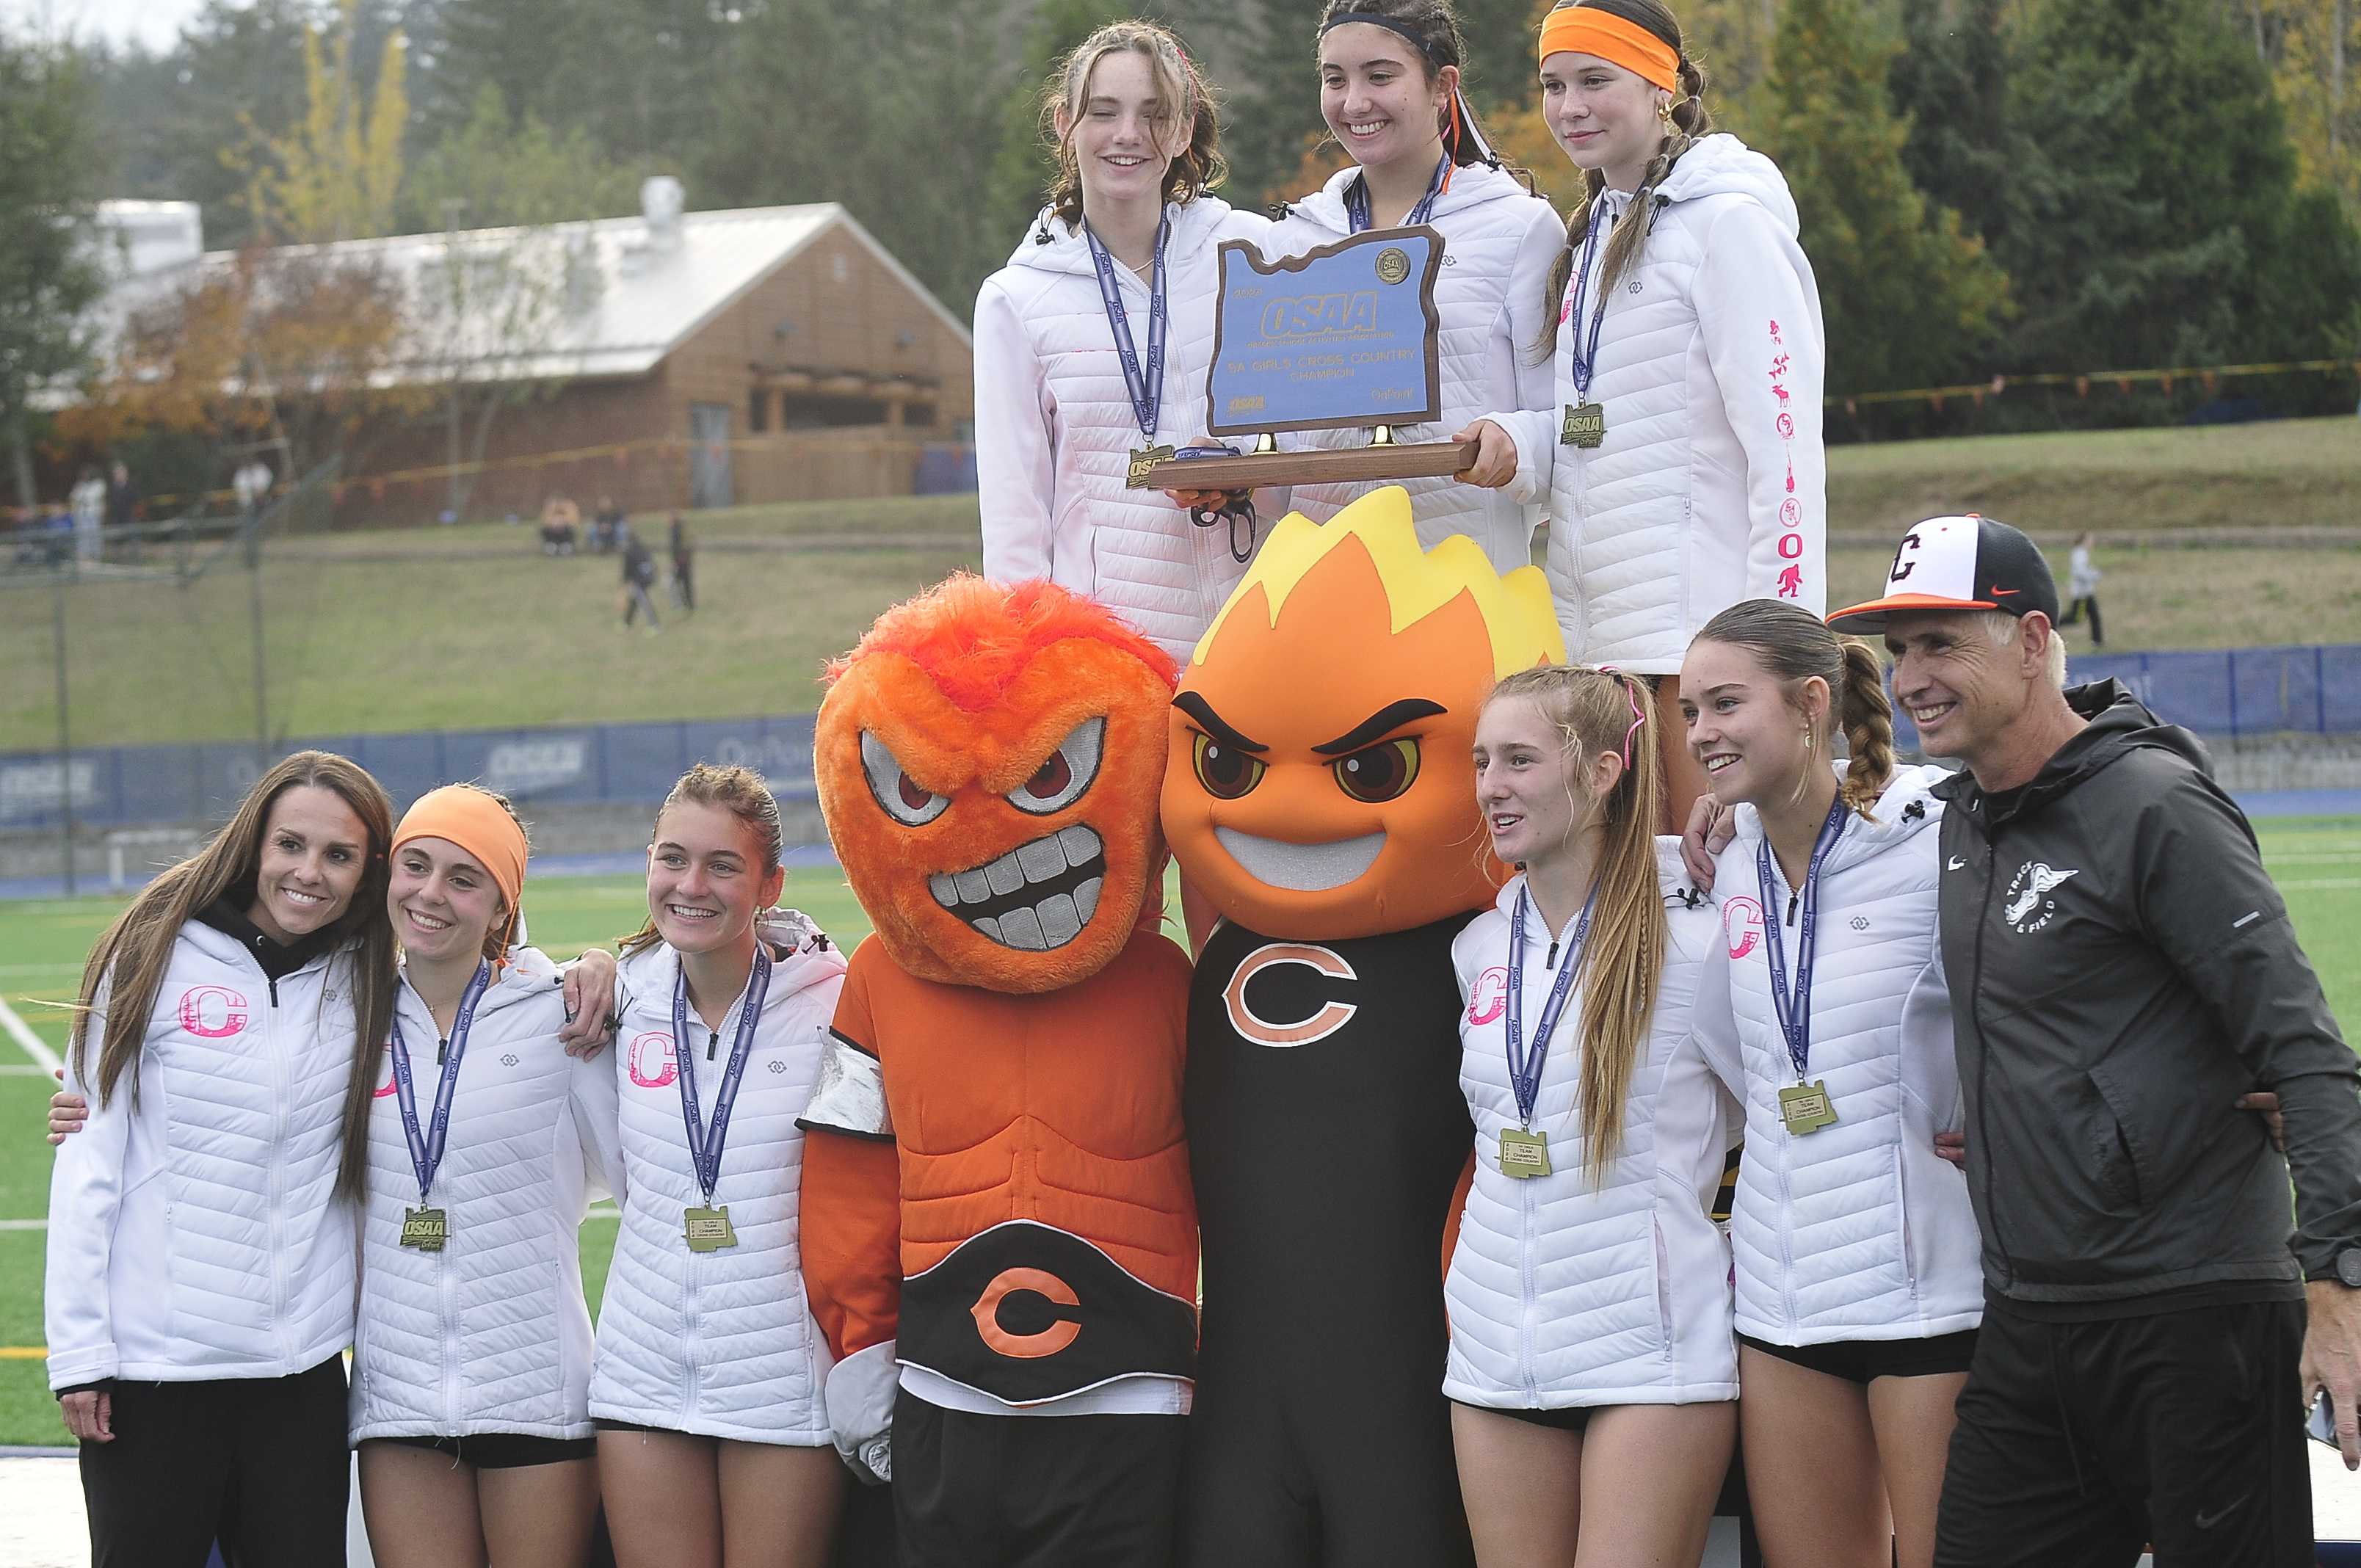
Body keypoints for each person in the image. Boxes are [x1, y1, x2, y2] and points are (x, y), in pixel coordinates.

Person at [1824, 512, 2361, 1565]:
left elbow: (2305, 1050)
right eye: (1899, 652)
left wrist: (2338, 1290)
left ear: (2031, 643)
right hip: (2030, 1320)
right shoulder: (1965, 812)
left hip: (2193, 1315)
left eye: (1940, 642)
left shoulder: (2155, 806)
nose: (1910, 677)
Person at [1454, 0, 1826, 830]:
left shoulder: (1728, 225)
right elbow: (1612, 427)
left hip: (1702, 653)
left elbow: (1787, 453)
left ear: (1661, 87)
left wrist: (1777, 654)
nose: (1570, 107)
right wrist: (1519, 440)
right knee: (1645, 913)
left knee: (1723, 895)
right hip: (1604, 647)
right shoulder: (1594, 236)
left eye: (1595, 80)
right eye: (1553, 85)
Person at [1678, 598, 1981, 1568]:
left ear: (1811, 702)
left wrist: (1988, 1107)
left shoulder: (1935, 828)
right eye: (1688, 712)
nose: (1701, 734)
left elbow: (2035, 989)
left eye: (1725, 703)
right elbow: (1742, 1058)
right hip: (1783, 1293)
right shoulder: (1727, 865)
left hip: (1929, 1289)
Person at [46, 751, 399, 1567]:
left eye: (339, 856)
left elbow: (480, 932)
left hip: (300, 1379)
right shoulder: (151, 955)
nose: (309, 873)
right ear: (254, 844)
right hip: (154, 1378)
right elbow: (88, 1168)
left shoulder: (371, 976)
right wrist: (81, 1355)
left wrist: (590, 970)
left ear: (365, 873)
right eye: (291, 846)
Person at [1446, 662, 1735, 1567]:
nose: (1493, 786)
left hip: (1651, 1355)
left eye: (1521, 760)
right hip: (1496, 1352)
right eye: (1483, 760)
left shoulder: (1699, 940)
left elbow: (1786, 1098)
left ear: (1604, 772)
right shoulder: (1479, 947)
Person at [348, 785, 622, 1568]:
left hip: (538, 1396)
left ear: (502, 910)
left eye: (464, 880)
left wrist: (610, 967)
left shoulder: (561, 1016)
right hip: (398, 1403)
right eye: (416, 867)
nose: (432, 894)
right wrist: (98, 1099)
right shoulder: (350, 1014)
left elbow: (642, 1167)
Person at [590, 763, 848, 1568]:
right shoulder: (618, 998)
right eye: (672, 859)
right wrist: (591, 967)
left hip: (781, 1379)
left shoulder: (836, 1005)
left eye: (722, 865)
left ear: (770, 882)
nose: (690, 885)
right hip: (642, 1373)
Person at [973, 19, 1274, 664]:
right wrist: (1032, 668)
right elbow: (1014, 520)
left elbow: (1305, 418)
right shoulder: (1016, 299)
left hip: (1260, 634)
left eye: (1154, 114)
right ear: (1064, 125)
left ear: (1184, 129)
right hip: (1111, 660)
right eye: (1103, 112)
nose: (1128, 135)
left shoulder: (1251, 255)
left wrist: (1242, 462)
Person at [1232, 0, 1562, 573]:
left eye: (1380, 76)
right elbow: (1277, 433)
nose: (1355, 102)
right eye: (1335, 79)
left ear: (1442, 87)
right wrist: (1226, 465)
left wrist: (1514, 439)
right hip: (1319, 582)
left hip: (1460, 577)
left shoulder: (1519, 227)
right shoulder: (1294, 237)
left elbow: (1565, 417)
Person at [2057, 530, 2103, 647]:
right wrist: (2093, 576)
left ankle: (2098, 641)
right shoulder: (2079, 554)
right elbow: (2079, 573)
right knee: (2076, 618)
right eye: (2090, 540)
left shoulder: (2082, 553)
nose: (2092, 542)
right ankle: (2054, 623)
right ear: (2084, 541)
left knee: (2094, 616)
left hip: (2086, 592)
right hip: (2082, 593)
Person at [620, 526, 661, 633]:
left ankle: (655, 625)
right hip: (650, 576)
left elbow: (627, 569)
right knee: (635, 599)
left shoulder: (629, 551)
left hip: (641, 579)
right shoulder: (642, 546)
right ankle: (627, 623)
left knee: (644, 602)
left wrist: (625, 582)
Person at [70, 465, 106, 562]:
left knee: (95, 536)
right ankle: (84, 558)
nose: (86, 476)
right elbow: (74, 499)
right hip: (82, 515)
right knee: (83, 537)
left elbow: (99, 499)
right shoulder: (80, 486)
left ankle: (96, 558)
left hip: (93, 514)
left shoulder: (99, 485)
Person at [668, 512, 694, 612]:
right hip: (687, 560)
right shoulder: (683, 528)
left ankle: (682, 604)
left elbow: (675, 548)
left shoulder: (675, 530)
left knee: (674, 582)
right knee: (687, 583)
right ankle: (690, 604)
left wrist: (674, 562)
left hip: (680, 561)